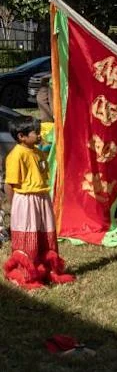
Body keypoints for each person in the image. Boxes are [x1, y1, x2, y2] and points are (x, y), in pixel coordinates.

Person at [4, 117, 73, 290]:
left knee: (45, 233)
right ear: (22, 136)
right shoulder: (16, 155)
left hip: (42, 197)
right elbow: (9, 184)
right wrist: (15, 207)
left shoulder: (38, 151)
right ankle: (26, 275)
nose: (40, 134)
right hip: (26, 200)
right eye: (36, 132)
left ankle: (48, 270)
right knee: (29, 236)